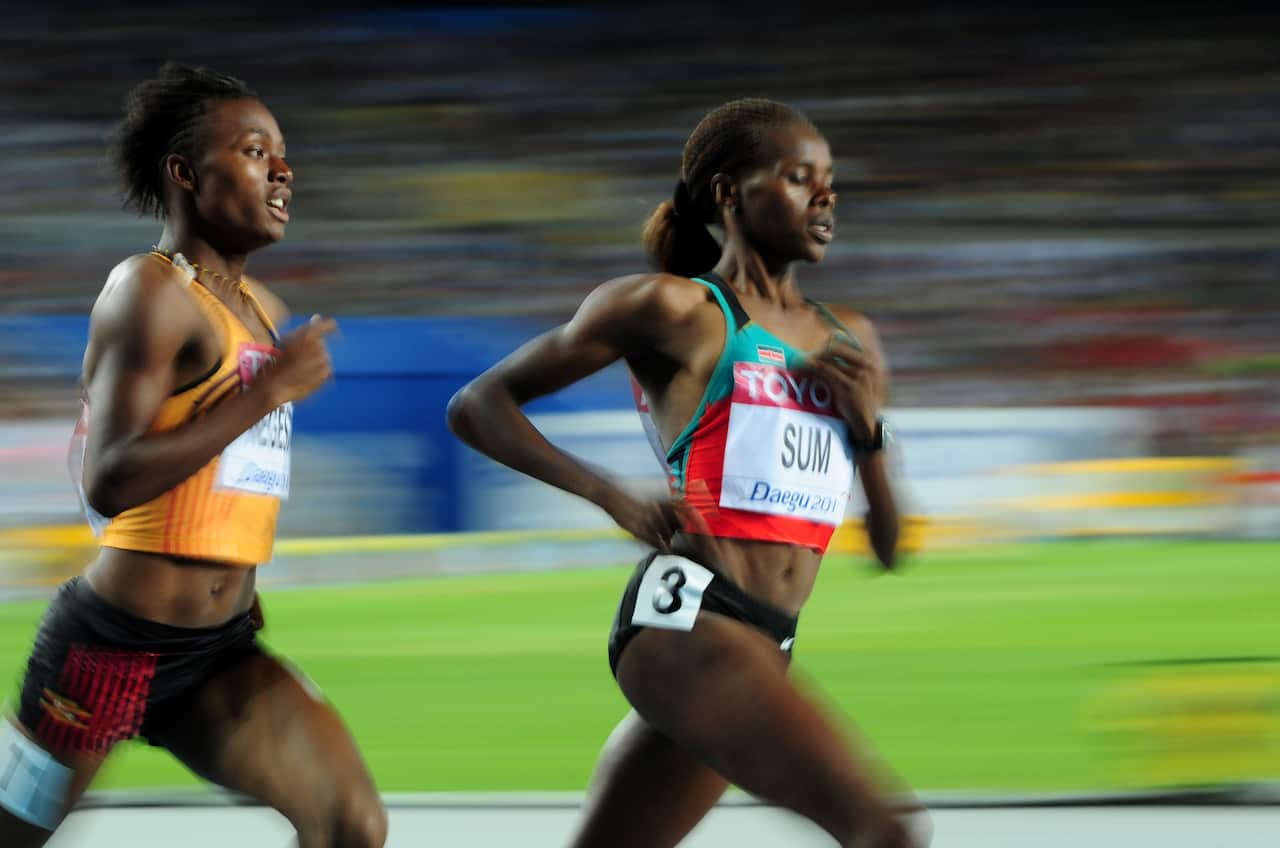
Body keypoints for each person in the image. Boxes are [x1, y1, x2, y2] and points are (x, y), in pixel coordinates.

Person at [448, 98, 925, 847]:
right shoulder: (677, 309)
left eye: (830, 181)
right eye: (801, 177)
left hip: (770, 643)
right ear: (729, 193)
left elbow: (894, 550)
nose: (827, 196)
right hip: (688, 625)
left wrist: (866, 429)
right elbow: (478, 405)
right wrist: (607, 494)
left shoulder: (851, 339)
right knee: (885, 832)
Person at [0, 64, 386, 848]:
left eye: (281, 152)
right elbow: (109, 479)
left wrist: (236, 580)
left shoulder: (262, 311)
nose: (282, 170)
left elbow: (230, 474)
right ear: (185, 173)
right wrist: (266, 395)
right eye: (253, 150)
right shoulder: (147, 291)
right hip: (108, 652)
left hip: (218, 650)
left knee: (352, 825)